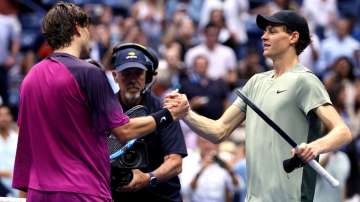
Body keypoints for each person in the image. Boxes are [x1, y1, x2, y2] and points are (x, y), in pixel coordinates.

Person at [166, 10, 352, 201]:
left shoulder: (305, 81)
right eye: (264, 31)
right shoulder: (255, 82)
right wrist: (186, 113)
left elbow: (342, 131)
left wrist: (314, 147)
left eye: (272, 31)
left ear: (293, 37)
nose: (264, 36)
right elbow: (218, 130)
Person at [12, 3, 188, 202]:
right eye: (88, 28)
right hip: (83, 191)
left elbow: (25, 143)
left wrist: (25, 192)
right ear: (79, 28)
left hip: (39, 192)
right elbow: (124, 131)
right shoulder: (89, 73)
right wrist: (170, 114)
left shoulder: (30, 78)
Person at [110, 43, 188, 202]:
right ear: (115, 76)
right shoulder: (103, 109)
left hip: (161, 196)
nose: (132, 79)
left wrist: (148, 178)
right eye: (126, 73)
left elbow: (175, 163)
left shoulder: (163, 109)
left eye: (138, 73)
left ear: (147, 76)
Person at [0, 105, 18, 197]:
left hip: (17, 187)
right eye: (0, 115)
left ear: (11, 117)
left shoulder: (18, 138)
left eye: (6, 115)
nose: (3, 118)